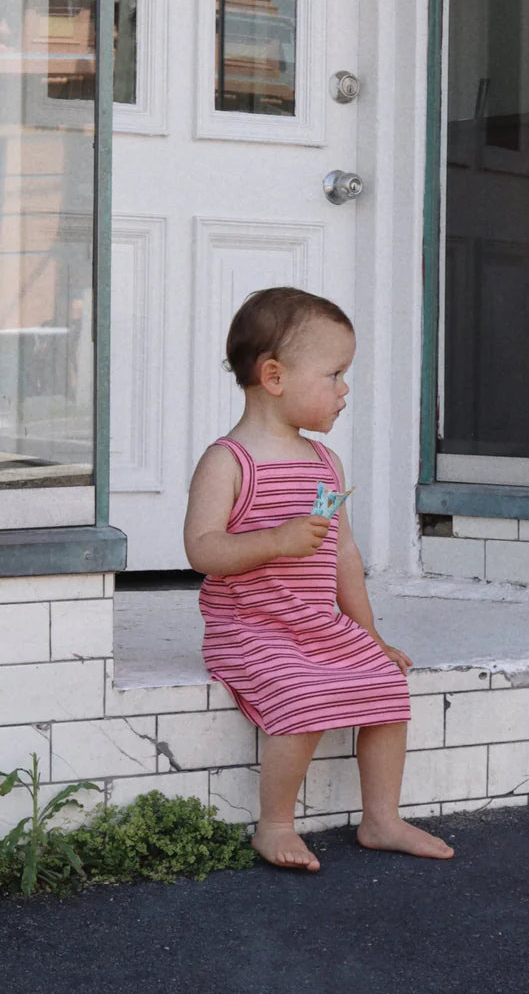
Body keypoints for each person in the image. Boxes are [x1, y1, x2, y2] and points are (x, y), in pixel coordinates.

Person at [184, 286, 455, 872]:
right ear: (275, 376)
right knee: (302, 694)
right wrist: (275, 541)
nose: (344, 389)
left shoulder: (324, 464)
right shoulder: (229, 461)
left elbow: (343, 556)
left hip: (315, 624)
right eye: (333, 374)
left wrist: (370, 634)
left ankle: (381, 818)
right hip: (249, 629)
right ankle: (275, 823)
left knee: (386, 686)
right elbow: (202, 550)